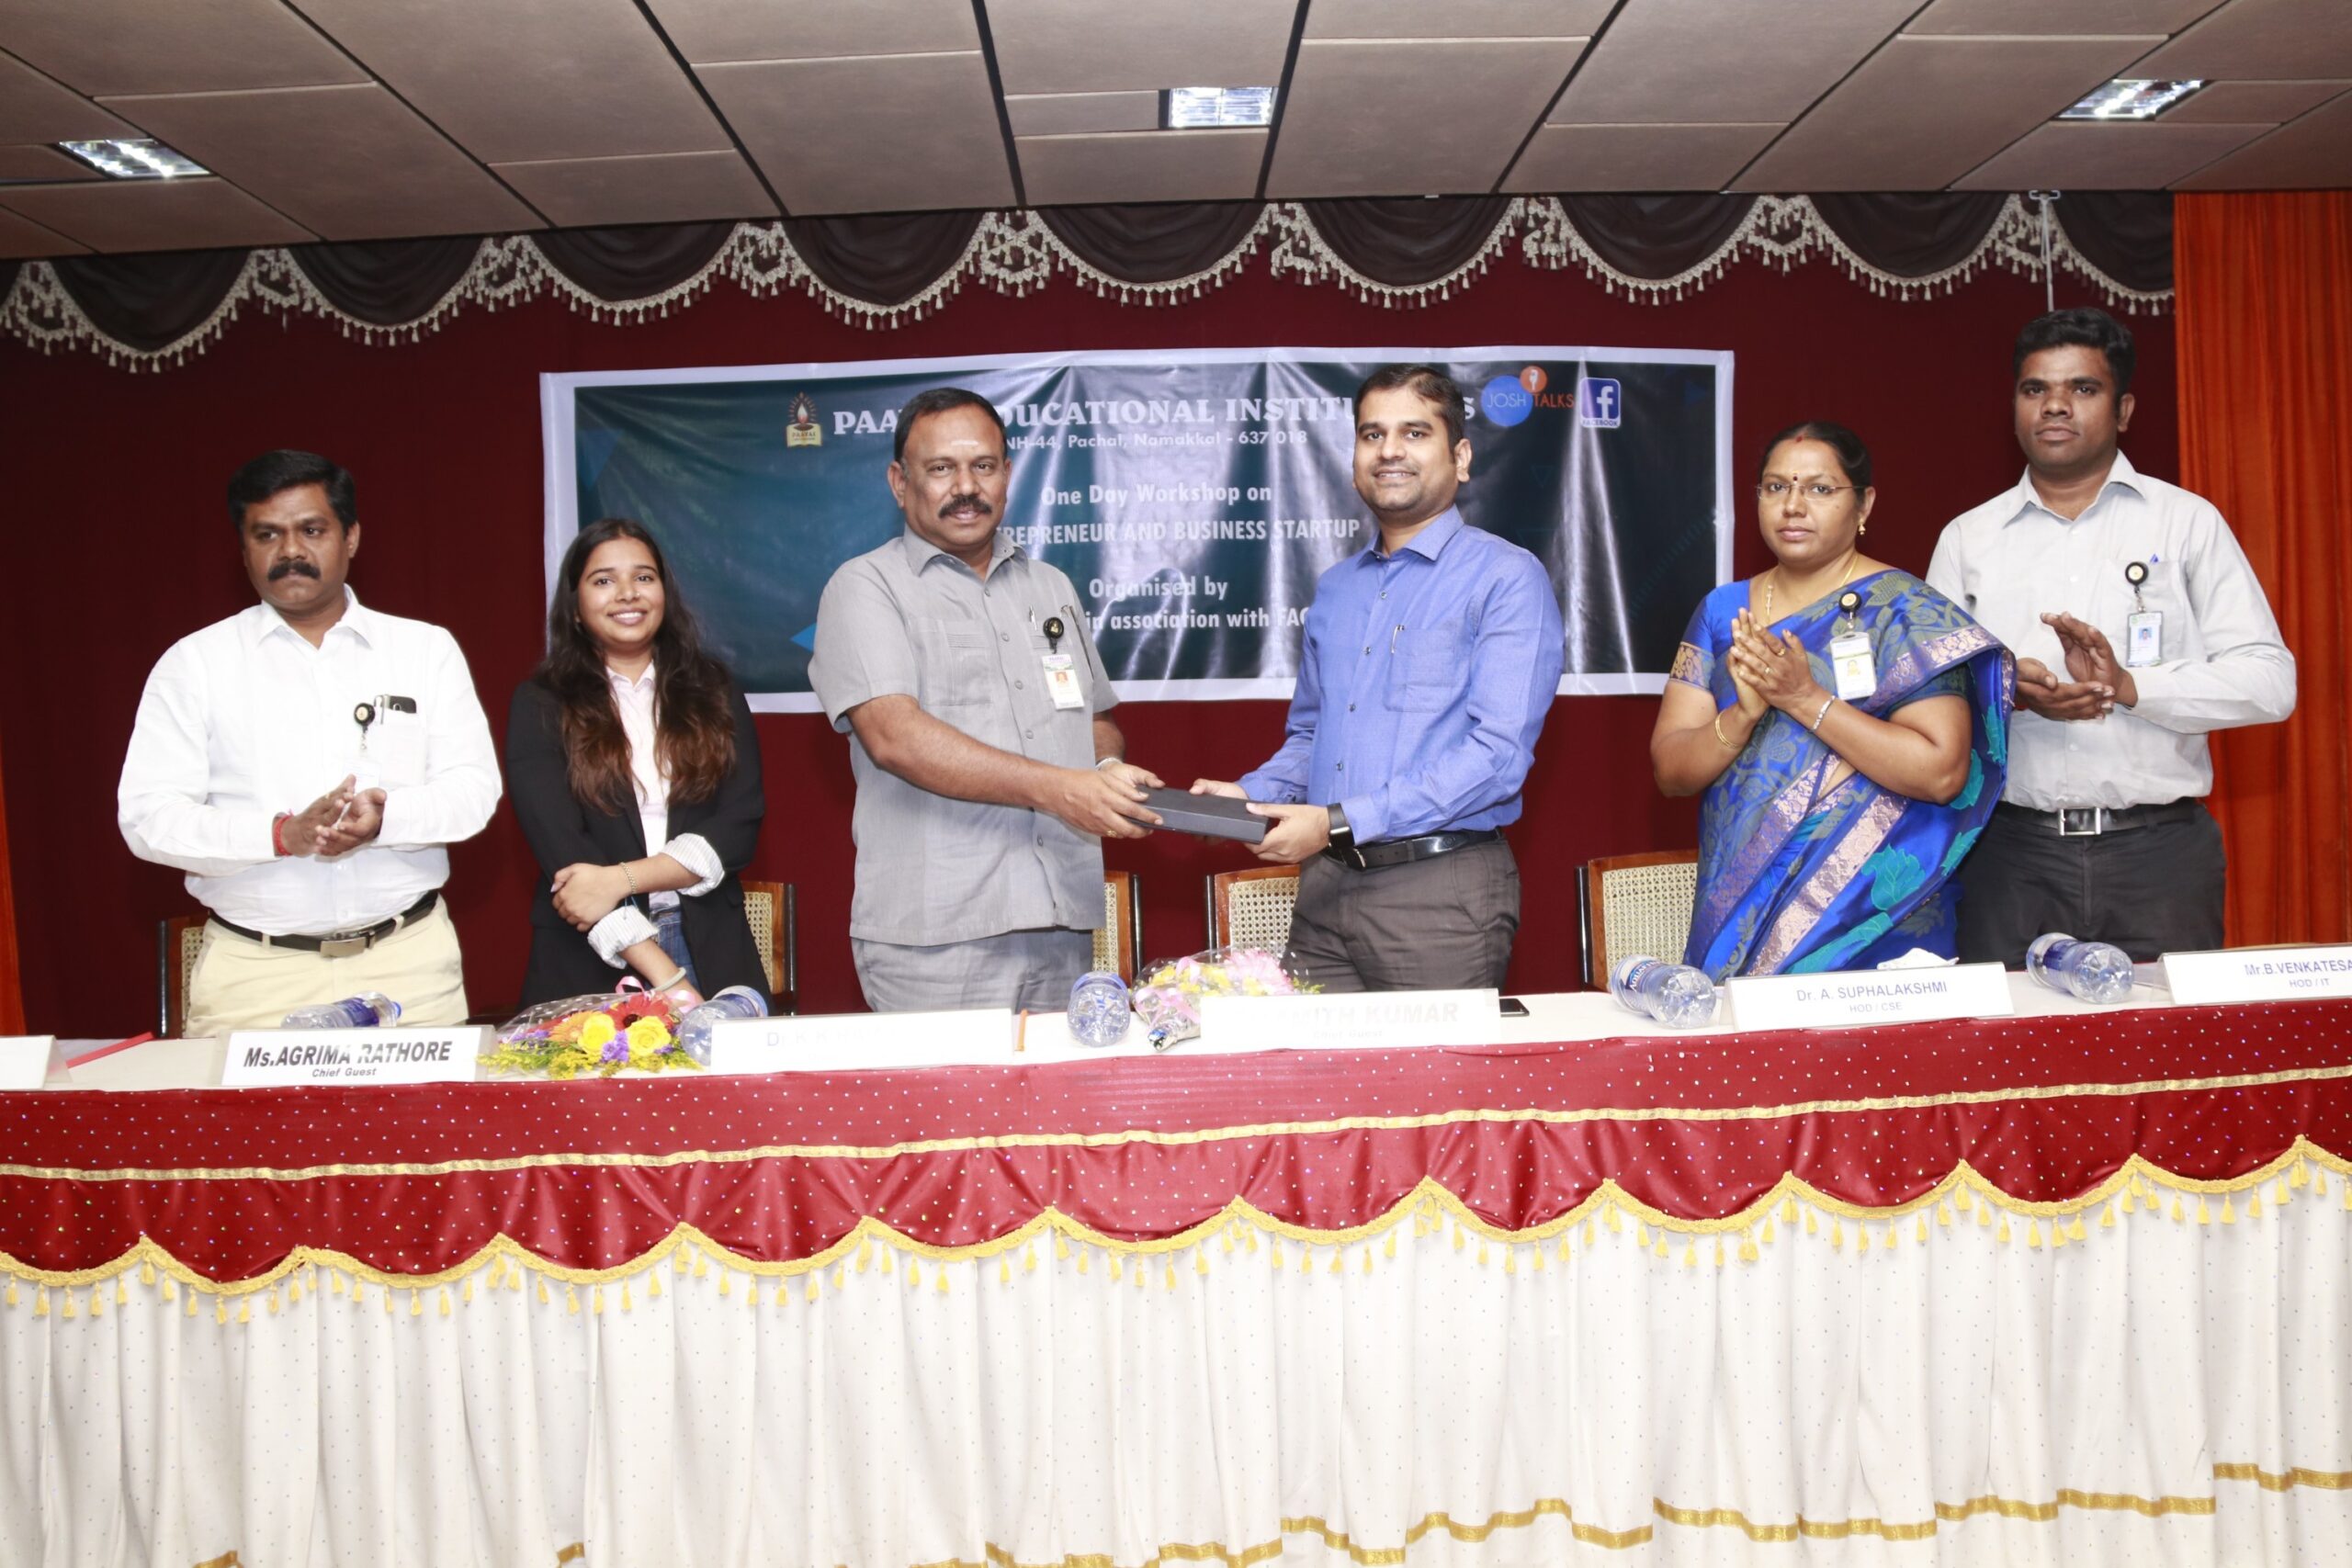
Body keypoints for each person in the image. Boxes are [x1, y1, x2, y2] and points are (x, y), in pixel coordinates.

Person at [1928, 308, 2295, 964]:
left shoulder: (2187, 523)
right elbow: (1931, 699)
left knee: (2168, 1033)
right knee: (2009, 1034)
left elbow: (2271, 682)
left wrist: (2130, 686)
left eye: (2083, 388)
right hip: (2009, 856)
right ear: (2015, 408)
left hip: (2159, 857)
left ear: (2123, 410)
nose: (2055, 405)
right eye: (2035, 389)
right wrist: (2011, 694)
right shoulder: (1967, 538)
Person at [1191, 365, 1564, 992]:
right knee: (1311, 1061)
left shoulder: (1506, 578)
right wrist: (1247, 797)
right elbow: (1311, 737)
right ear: (1355, 460)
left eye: (1415, 433)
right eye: (1372, 434)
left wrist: (1338, 820)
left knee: (1437, 1065)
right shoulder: (1337, 588)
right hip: (1324, 889)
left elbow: (1497, 759)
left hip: (1437, 896)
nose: (1390, 450)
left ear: (1461, 457)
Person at [119, 450, 501, 1035]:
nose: (290, 550)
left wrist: (386, 819)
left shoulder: (424, 650)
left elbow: (473, 792)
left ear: (351, 537)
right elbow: (148, 819)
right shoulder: (194, 664)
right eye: (267, 534)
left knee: (427, 1105)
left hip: (408, 968)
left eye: (312, 530)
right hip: (255, 975)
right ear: (243, 548)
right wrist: (280, 836)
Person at [808, 387, 1163, 1011]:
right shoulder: (864, 587)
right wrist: (1062, 789)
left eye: (983, 466)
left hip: (1061, 921)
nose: (966, 487)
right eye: (941, 468)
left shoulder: (1051, 586)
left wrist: (1105, 769)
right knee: (948, 1087)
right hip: (938, 938)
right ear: (900, 482)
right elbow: (894, 737)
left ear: (1007, 474)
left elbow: (1094, 717)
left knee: (1065, 1085)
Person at [1653, 422, 2012, 980]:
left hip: (1873, 919)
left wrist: (1804, 699)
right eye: (1776, 487)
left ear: (1864, 504)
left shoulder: (1906, 611)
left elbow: (1942, 773)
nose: (1793, 506)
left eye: (1820, 489)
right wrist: (1742, 716)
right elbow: (1671, 772)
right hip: (1740, 910)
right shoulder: (1723, 613)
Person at [505, 517, 766, 1008]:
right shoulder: (541, 703)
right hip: (592, 952)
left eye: (643, 577)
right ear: (575, 607)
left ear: (664, 594)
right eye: (604, 580)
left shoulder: (715, 690)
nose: (628, 593)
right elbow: (569, 866)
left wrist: (618, 880)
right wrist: (669, 979)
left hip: (712, 945)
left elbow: (738, 827)